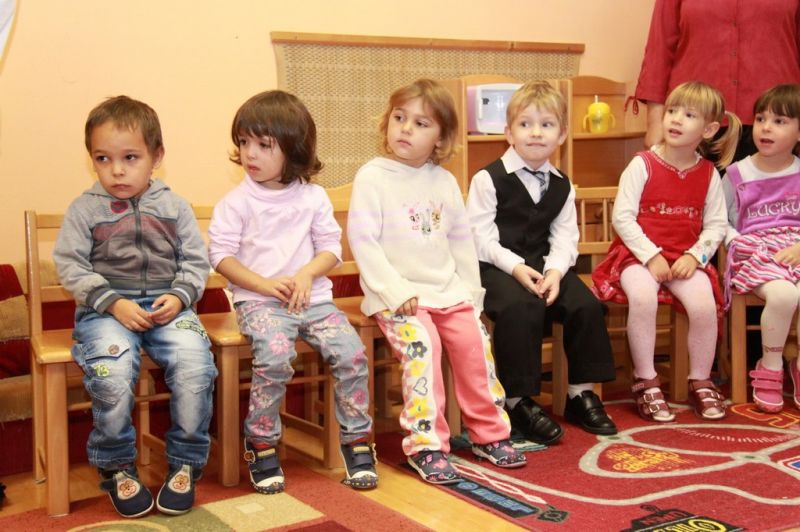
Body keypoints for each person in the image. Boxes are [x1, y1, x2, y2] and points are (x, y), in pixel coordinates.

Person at [348, 79, 525, 485]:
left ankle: (490, 434)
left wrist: (471, 296)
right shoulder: (372, 177)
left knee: (476, 345)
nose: (405, 128)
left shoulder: (443, 181)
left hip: (448, 291)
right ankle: (425, 445)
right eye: (399, 118)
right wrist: (394, 291)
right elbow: (363, 241)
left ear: (441, 138)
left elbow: (461, 242)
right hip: (395, 295)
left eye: (421, 123)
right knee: (423, 347)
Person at [53, 96, 217, 517]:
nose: (117, 170)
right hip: (105, 310)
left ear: (156, 157)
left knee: (196, 365)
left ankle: (186, 461)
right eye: (103, 159)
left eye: (130, 157)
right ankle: (116, 466)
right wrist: (113, 303)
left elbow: (196, 262)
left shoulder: (175, 206)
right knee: (112, 371)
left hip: (169, 307)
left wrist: (180, 295)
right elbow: (70, 266)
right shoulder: (85, 209)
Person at [208, 90, 377, 494]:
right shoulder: (237, 202)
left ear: (294, 148)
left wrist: (305, 275)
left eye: (264, 145)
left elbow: (331, 248)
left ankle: (357, 441)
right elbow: (221, 257)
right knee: (276, 355)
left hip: (314, 301)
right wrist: (264, 284)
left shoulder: (313, 196)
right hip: (259, 303)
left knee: (352, 354)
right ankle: (261, 443)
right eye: (244, 142)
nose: (250, 153)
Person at [467, 81, 617, 444]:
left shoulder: (563, 184)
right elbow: (479, 238)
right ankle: (518, 401)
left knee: (585, 306)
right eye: (525, 124)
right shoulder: (487, 179)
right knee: (520, 307)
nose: (536, 133)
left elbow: (565, 237)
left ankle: (580, 393)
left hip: (544, 265)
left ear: (561, 135)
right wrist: (516, 268)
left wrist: (555, 272)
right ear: (509, 132)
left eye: (546, 125)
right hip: (495, 267)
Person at [593, 81, 739, 422]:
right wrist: (651, 256)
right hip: (637, 257)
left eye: (688, 115)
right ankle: (646, 380)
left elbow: (716, 225)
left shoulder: (708, 174)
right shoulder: (642, 164)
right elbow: (622, 218)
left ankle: (700, 379)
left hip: (685, 258)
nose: (675, 119)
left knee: (704, 306)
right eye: (672, 111)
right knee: (642, 298)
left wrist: (695, 256)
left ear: (708, 130)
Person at [722, 84, 800, 413]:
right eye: (761, 119)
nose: (766, 127)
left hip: (795, 250)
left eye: (779, 121)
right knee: (784, 295)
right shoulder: (736, 174)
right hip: (756, 253)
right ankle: (770, 366)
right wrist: (735, 241)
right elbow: (718, 221)